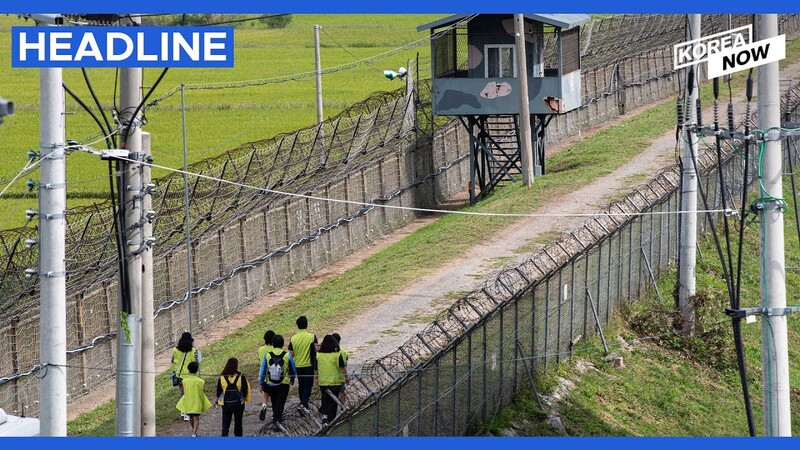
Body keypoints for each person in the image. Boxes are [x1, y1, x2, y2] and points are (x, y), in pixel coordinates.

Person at [259, 334, 296, 431]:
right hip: (283, 383)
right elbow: (293, 369)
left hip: (270, 383)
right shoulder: (287, 355)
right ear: (282, 344)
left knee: (275, 402)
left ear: (273, 343)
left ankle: (277, 419)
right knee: (280, 403)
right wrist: (292, 379)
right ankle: (277, 421)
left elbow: (263, 370)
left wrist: (261, 383)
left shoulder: (267, 355)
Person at [288, 315, 318, 414]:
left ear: (297, 325)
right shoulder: (311, 336)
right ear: (307, 324)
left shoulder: (293, 338)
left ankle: (304, 406)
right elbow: (316, 349)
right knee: (308, 386)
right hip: (309, 365)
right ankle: (303, 404)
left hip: (298, 366)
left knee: (301, 386)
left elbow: (291, 353)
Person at [315, 334, 346, 426]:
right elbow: (342, 367)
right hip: (335, 382)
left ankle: (325, 416)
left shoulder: (318, 355)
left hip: (323, 381)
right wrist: (346, 377)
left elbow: (316, 369)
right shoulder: (337, 355)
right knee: (333, 401)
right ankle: (331, 419)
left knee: (325, 399)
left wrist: (316, 379)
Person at [215, 357, 251, 437]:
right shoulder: (241, 376)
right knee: (238, 423)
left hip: (226, 404)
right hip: (238, 403)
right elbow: (245, 389)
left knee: (225, 424)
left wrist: (217, 401)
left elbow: (219, 391)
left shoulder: (222, 377)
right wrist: (244, 398)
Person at [171, 331, 202, 421]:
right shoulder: (194, 351)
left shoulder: (175, 350)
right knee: (190, 393)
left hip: (180, 375)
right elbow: (197, 361)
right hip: (190, 375)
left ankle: (183, 411)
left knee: (183, 393)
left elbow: (173, 361)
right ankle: (188, 411)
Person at [175, 361, 212, 437]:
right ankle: (194, 433)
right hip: (197, 402)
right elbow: (203, 391)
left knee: (190, 417)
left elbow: (183, 391)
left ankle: (194, 432)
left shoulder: (184, 381)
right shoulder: (201, 381)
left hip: (188, 403)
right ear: (197, 370)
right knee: (196, 418)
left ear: (188, 370)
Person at [257, 329, 276, 421]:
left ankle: (264, 406)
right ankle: (275, 414)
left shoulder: (261, 349)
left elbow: (260, 360)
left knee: (266, 394)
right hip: (274, 375)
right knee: (275, 396)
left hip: (263, 375)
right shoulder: (275, 350)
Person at [332, 333, 349, 407]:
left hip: (330, 376)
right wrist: (346, 377)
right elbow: (345, 364)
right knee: (342, 392)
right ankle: (342, 407)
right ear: (339, 341)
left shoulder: (329, 352)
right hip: (340, 377)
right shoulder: (344, 352)